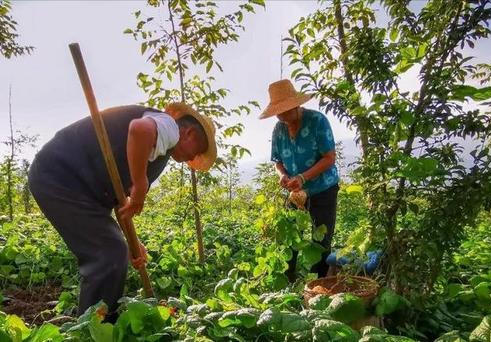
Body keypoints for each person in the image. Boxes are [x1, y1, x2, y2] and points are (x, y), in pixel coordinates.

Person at [28, 103, 216, 321]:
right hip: (61, 176)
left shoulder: (158, 148)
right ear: (189, 133)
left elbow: (119, 199)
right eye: (198, 149)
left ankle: (99, 324)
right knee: (108, 253)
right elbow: (139, 129)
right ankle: (93, 330)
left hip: (77, 187)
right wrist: (140, 183)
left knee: (115, 248)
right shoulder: (169, 127)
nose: (193, 158)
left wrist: (131, 242)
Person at [260, 79, 340, 282]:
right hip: (295, 194)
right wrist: (283, 177)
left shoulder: (317, 121)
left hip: (323, 189)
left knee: (320, 239)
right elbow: (277, 161)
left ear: (296, 105)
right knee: (290, 236)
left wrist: (304, 177)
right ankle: (289, 281)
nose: (284, 118)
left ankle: (320, 283)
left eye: (287, 111)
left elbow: (329, 157)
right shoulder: (279, 129)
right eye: (279, 113)